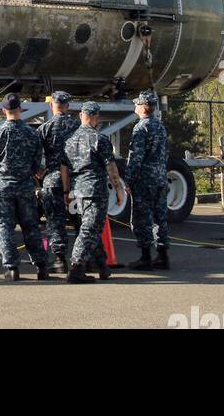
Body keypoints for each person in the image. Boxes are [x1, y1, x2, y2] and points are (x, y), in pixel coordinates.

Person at [0, 94, 50, 281]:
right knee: (31, 227)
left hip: (3, 188)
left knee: (5, 228)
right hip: (25, 187)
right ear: (20, 109)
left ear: (3, 111)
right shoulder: (32, 134)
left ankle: (11, 268)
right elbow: (37, 165)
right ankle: (41, 266)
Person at [60, 101, 126, 284]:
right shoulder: (100, 139)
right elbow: (111, 167)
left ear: (81, 116)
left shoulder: (70, 141)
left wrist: (66, 191)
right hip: (95, 192)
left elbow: (64, 168)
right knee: (89, 230)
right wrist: (119, 190)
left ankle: (102, 266)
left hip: (77, 192)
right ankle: (76, 268)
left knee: (90, 228)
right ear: (96, 118)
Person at [124, 91, 171, 271]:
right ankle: (163, 255)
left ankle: (145, 257)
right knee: (160, 217)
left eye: (137, 104)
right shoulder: (160, 126)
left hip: (144, 180)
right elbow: (164, 153)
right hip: (160, 177)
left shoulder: (140, 128)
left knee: (142, 218)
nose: (135, 106)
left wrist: (128, 179)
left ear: (143, 108)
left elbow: (135, 157)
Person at [37, 91, 81, 273]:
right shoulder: (78, 126)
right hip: (77, 180)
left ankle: (60, 260)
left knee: (55, 222)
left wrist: (39, 171)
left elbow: (33, 153)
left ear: (51, 105)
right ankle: (85, 259)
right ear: (68, 106)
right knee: (80, 221)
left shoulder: (45, 128)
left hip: (53, 180)